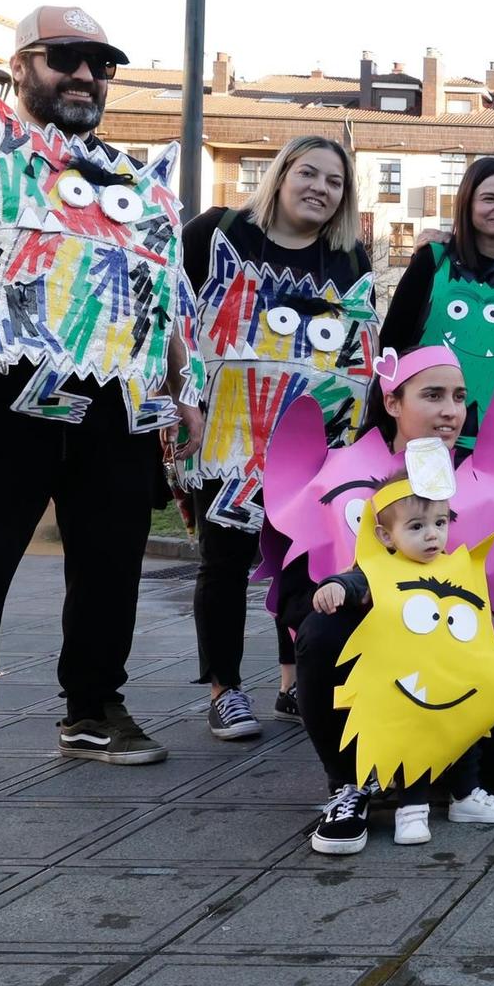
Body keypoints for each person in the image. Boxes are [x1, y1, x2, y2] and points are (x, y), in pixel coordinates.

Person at [0, 6, 203, 806]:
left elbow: (156, 289)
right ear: (22, 63)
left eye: (101, 63)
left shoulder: (124, 178)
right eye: (65, 57)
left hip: (112, 409)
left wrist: (179, 385)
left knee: (111, 564)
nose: (85, 75)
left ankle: (94, 708)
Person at [181, 135, 375, 740]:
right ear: (280, 176)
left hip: (315, 442)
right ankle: (225, 689)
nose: (320, 188)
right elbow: (171, 313)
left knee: (305, 563)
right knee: (227, 561)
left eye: (334, 181)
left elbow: (359, 348)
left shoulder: (350, 260)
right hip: (227, 434)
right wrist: (177, 398)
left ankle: (294, 685)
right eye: (308, 174)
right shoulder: (217, 234)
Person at [306, 472, 494, 847]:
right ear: (386, 535)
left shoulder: (459, 567)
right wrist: (333, 586)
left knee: (467, 734)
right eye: (416, 526)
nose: (432, 535)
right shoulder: (380, 569)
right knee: (413, 738)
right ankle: (411, 808)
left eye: (440, 522)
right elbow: (356, 582)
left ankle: (465, 796)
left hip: (459, 679)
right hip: (410, 685)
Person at [378, 156, 494, 450]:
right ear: (467, 203)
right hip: (423, 439)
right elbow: (392, 343)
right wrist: (381, 427)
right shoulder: (431, 262)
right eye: (489, 198)